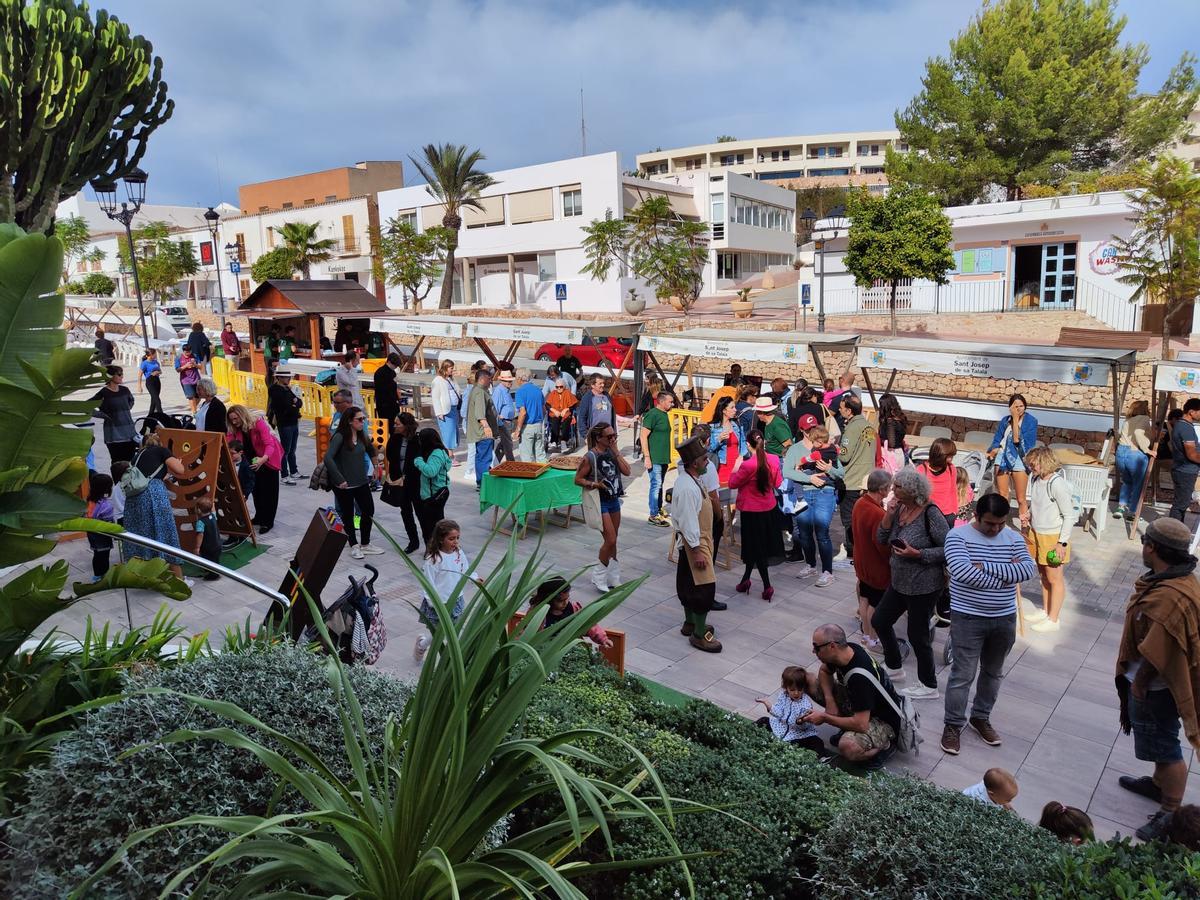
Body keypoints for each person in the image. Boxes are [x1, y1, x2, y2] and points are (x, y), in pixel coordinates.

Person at [1115, 516, 1200, 841]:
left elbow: (1159, 649)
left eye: (1144, 543)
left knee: (1166, 747)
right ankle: (1157, 784)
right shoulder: (1175, 580)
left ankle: (1170, 811)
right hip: (1152, 685)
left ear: (1152, 547)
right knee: (1157, 740)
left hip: (1157, 688)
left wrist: (1139, 683)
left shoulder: (1170, 595)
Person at [939, 493, 1036, 756]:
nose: (995, 529)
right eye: (990, 524)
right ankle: (952, 725)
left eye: (1000, 524)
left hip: (1004, 618)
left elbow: (1027, 570)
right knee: (962, 675)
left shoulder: (1013, 538)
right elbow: (963, 572)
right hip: (967, 617)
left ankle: (980, 717)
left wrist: (984, 565)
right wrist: (1005, 577)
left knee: (993, 673)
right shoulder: (958, 537)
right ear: (977, 516)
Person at [873, 466, 948, 699]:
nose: (892, 490)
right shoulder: (900, 508)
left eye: (897, 487)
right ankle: (894, 667)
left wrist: (918, 554)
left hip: (924, 585)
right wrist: (888, 514)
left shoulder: (930, 513)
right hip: (899, 582)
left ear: (912, 491)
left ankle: (929, 685)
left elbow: (949, 548)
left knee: (918, 636)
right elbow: (881, 538)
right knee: (880, 620)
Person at [806, 623, 902, 767]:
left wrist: (825, 717)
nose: (814, 651)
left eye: (816, 647)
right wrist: (830, 700)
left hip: (881, 720)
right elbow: (824, 671)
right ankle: (847, 727)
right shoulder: (846, 651)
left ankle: (886, 745)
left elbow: (861, 724)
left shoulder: (860, 678)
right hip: (858, 704)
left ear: (832, 646)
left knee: (848, 747)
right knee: (806, 680)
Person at [672, 435, 720, 652]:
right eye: (704, 459)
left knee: (688, 583)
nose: (707, 462)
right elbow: (689, 520)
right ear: (694, 463)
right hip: (696, 543)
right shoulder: (688, 488)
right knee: (704, 588)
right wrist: (697, 551)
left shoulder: (691, 480)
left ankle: (690, 623)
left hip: (697, 541)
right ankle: (699, 634)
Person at [121, 433, 191, 584]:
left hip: (134, 500)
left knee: (142, 535)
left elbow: (150, 475)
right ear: (159, 443)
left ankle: (144, 576)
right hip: (154, 496)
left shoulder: (137, 456)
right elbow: (180, 470)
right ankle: (179, 579)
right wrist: (177, 462)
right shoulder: (162, 451)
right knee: (166, 534)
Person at [1021, 446, 1075, 633]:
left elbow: (1069, 515)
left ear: (1044, 462)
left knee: (1055, 578)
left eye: (1033, 464)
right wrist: (1029, 514)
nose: (1030, 467)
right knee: (1043, 575)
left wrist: (1062, 543)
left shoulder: (1057, 483)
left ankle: (1054, 619)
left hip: (1053, 536)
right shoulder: (1036, 479)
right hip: (1037, 533)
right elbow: (1037, 503)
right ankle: (1045, 610)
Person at [784, 420, 844, 587]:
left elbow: (841, 473)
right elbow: (787, 471)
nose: (812, 431)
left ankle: (827, 572)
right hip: (803, 494)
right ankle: (810, 565)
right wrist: (809, 478)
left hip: (825, 492)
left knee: (822, 533)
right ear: (802, 430)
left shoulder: (828, 448)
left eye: (814, 428)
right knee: (804, 533)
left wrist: (829, 469)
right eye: (808, 429)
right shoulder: (795, 449)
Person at [730, 429, 783, 601]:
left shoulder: (747, 465)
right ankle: (745, 580)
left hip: (751, 511)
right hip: (769, 509)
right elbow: (778, 482)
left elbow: (732, 483)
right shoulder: (773, 459)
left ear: (748, 444)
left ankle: (767, 586)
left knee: (756, 548)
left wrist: (736, 467)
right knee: (756, 547)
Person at [324, 405, 383, 559]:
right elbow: (328, 458)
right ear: (350, 421)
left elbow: (371, 449)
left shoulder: (362, 435)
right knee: (347, 514)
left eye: (364, 419)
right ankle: (353, 544)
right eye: (360, 419)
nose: (363, 422)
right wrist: (339, 479)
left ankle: (365, 543)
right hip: (344, 485)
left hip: (361, 482)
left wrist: (376, 467)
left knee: (368, 510)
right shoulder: (340, 437)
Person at [576, 422, 630, 591]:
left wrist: (616, 452)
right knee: (610, 539)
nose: (613, 439)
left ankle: (613, 576)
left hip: (614, 499)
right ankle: (599, 574)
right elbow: (577, 479)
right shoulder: (590, 457)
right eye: (609, 436)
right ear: (599, 438)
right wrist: (595, 484)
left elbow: (627, 471)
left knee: (613, 541)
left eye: (614, 435)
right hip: (600, 502)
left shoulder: (612, 452)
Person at [415, 519, 474, 661]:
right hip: (439, 603)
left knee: (453, 630)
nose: (456, 542)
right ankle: (422, 645)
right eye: (451, 539)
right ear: (441, 539)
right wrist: (434, 603)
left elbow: (465, 569)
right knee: (438, 633)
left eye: (457, 538)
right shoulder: (433, 560)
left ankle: (453, 658)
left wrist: (475, 577)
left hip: (457, 600)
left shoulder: (459, 552)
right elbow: (428, 584)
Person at [852, 469, 894, 653]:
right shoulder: (877, 513)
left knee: (864, 598)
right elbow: (881, 545)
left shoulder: (860, 502)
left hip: (862, 561)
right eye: (889, 487)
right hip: (876, 566)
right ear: (883, 489)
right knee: (875, 605)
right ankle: (872, 640)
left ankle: (865, 635)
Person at [226, 404, 284, 535]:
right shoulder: (234, 428)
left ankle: (268, 522)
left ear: (242, 415)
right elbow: (228, 442)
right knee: (256, 490)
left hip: (268, 459)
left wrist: (262, 460)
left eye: (236, 418)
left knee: (269, 493)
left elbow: (269, 444)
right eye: (231, 420)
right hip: (252, 461)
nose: (234, 422)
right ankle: (259, 517)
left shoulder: (258, 423)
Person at [835, 393, 874, 562]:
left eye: (841, 408)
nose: (839, 410)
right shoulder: (868, 426)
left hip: (851, 480)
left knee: (849, 520)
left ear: (849, 411)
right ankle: (863, 550)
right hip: (866, 479)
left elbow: (844, 456)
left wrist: (835, 448)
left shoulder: (852, 428)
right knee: (862, 519)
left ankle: (853, 552)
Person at [754, 666, 826, 756]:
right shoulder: (783, 695)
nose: (796, 693)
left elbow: (806, 726)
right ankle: (748, 732)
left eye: (800, 689)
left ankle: (821, 758)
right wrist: (767, 704)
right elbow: (779, 713)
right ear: (786, 687)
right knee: (763, 720)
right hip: (781, 726)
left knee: (817, 742)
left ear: (804, 688)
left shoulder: (806, 704)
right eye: (792, 690)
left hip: (798, 732)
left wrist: (800, 722)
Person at [988, 393, 1038, 522]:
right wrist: (994, 448)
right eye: (1016, 406)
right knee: (1002, 495)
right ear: (1010, 407)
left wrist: (1015, 419)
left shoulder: (1031, 421)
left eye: (1021, 406)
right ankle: (1000, 523)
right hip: (1002, 456)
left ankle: (1024, 526)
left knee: (1021, 498)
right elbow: (998, 438)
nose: (1019, 409)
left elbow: (1017, 440)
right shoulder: (1005, 420)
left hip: (1020, 459)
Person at [528, 577, 612, 648]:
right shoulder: (537, 613)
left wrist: (603, 639)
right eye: (560, 601)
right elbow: (526, 631)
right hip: (545, 650)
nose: (565, 602)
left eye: (567, 598)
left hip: (571, 648)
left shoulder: (574, 608)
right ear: (548, 599)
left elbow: (588, 624)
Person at [382, 412, 421, 554]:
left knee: (421, 512)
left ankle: (429, 542)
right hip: (400, 482)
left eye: (397, 424)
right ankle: (413, 541)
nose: (394, 426)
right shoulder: (394, 439)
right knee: (405, 512)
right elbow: (390, 456)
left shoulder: (417, 440)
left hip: (415, 482)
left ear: (406, 425)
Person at [1115, 399, 1155, 521]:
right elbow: (1138, 433)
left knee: (1127, 481)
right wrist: (1147, 450)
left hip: (1121, 452)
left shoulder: (1128, 420)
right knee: (1139, 485)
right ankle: (1132, 512)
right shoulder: (1144, 418)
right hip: (1134, 453)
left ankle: (1120, 508)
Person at [640, 390, 675, 527]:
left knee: (660, 484)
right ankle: (653, 515)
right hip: (654, 458)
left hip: (663, 458)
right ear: (661, 401)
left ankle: (658, 509)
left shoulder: (664, 414)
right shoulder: (652, 414)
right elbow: (643, 436)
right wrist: (647, 457)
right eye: (670, 401)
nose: (672, 404)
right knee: (656, 484)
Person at [412, 427, 452, 544]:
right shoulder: (440, 451)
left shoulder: (436, 454)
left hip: (434, 494)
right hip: (439, 492)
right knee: (437, 522)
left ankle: (435, 548)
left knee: (432, 525)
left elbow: (431, 472)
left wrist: (418, 461)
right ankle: (437, 547)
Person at [93, 366, 136, 465]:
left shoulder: (125, 390)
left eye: (122, 374)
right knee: (117, 463)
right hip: (113, 435)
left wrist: (124, 410)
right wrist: (103, 415)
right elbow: (87, 406)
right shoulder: (104, 393)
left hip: (129, 433)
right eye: (119, 374)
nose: (122, 376)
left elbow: (131, 401)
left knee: (130, 462)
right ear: (111, 376)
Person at [266, 369, 303, 485]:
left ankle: (294, 471)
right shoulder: (275, 390)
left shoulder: (288, 389)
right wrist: (294, 404)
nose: (289, 379)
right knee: (285, 450)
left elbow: (299, 402)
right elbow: (285, 406)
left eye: (289, 377)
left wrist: (295, 403)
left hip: (294, 421)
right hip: (285, 423)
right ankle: (284, 475)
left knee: (292, 449)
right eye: (286, 377)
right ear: (279, 378)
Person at [1168, 398, 1200, 522]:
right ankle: (1172, 529)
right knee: (1181, 504)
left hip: (1183, 469)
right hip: (1185, 471)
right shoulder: (1185, 428)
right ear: (1191, 412)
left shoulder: (1183, 425)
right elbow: (1191, 454)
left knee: (1182, 503)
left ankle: (1176, 527)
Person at [917, 437, 960, 526]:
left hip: (947, 515)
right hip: (927, 514)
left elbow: (953, 490)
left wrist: (954, 511)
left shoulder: (951, 469)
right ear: (940, 455)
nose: (951, 459)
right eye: (949, 456)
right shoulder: (921, 470)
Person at [466, 368, 498, 487]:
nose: (491, 381)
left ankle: (481, 481)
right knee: (484, 458)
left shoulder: (477, 390)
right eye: (489, 379)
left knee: (481, 457)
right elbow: (480, 413)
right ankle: (483, 483)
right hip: (483, 432)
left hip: (480, 431)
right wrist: (486, 427)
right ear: (483, 379)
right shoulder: (480, 392)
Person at [707, 396, 745, 487]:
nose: (735, 410)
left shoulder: (737, 425)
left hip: (737, 466)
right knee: (723, 492)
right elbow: (709, 449)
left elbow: (743, 442)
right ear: (724, 410)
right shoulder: (713, 428)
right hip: (722, 467)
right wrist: (719, 440)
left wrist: (742, 456)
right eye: (732, 407)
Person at [85, 472, 115, 583]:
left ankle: (96, 575)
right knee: (104, 556)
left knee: (97, 554)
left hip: (91, 533)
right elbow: (109, 523)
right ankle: (104, 576)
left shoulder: (89, 501)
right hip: (103, 535)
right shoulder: (106, 506)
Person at [512, 368, 547, 463]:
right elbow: (544, 410)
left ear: (519, 378)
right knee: (541, 456)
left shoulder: (520, 392)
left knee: (527, 458)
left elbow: (523, 412)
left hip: (527, 427)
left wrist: (517, 430)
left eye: (516, 378)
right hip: (538, 425)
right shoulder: (538, 390)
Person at [431, 360, 462, 459]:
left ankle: (450, 454)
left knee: (453, 431)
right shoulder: (437, 380)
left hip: (454, 409)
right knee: (448, 432)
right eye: (451, 368)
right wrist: (439, 412)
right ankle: (449, 456)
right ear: (446, 368)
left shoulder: (451, 379)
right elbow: (435, 397)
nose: (453, 370)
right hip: (445, 411)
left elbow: (457, 390)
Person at [577, 374, 616, 443]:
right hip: (595, 435)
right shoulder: (587, 398)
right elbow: (581, 418)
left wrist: (614, 432)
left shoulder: (607, 395)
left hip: (609, 434)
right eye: (600, 383)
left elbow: (612, 414)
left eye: (603, 383)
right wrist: (585, 436)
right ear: (593, 385)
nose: (603, 385)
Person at [875, 393, 908, 475]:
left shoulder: (890, 422)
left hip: (890, 455)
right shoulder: (901, 419)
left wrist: (879, 440)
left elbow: (891, 443)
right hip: (900, 454)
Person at [193, 495, 222, 580]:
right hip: (217, 544)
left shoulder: (200, 522)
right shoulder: (213, 516)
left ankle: (213, 575)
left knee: (208, 560)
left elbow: (200, 535)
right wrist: (213, 504)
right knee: (215, 559)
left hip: (208, 547)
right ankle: (215, 570)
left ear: (199, 510)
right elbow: (214, 510)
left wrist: (197, 547)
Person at [491, 370, 517, 463]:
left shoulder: (505, 390)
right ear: (502, 381)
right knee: (508, 444)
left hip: (508, 421)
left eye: (510, 381)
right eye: (507, 381)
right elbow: (495, 408)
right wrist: (498, 423)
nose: (510, 382)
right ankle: (511, 462)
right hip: (503, 422)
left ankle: (494, 463)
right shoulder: (499, 391)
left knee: (504, 444)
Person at [546, 377, 578, 451]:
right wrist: (554, 410)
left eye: (561, 386)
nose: (559, 388)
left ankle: (564, 441)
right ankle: (554, 441)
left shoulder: (568, 393)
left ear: (564, 386)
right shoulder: (553, 393)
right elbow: (547, 405)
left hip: (566, 413)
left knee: (566, 421)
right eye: (557, 387)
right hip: (555, 413)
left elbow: (574, 404)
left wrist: (566, 409)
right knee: (554, 421)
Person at [372, 351, 402, 426]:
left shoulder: (392, 372)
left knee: (393, 425)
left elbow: (395, 387)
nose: (395, 367)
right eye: (395, 365)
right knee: (386, 426)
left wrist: (398, 398)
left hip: (392, 404)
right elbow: (383, 390)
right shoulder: (380, 372)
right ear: (389, 362)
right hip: (384, 404)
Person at [137, 348, 165, 420]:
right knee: (157, 400)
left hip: (157, 381)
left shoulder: (156, 362)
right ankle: (162, 417)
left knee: (154, 401)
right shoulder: (144, 363)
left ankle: (149, 417)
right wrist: (139, 386)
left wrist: (157, 372)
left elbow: (160, 371)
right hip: (150, 381)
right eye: (154, 354)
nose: (156, 355)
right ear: (150, 355)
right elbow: (140, 375)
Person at [175, 346, 201, 414]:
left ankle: (193, 407)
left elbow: (201, 367)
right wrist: (185, 366)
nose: (188, 353)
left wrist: (195, 365)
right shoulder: (179, 358)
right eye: (186, 352)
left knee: (199, 396)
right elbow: (177, 370)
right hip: (185, 380)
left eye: (189, 352)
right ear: (183, 351)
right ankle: (194, 412)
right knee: (191, 397)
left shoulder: (195, 356)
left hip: (196, 379)